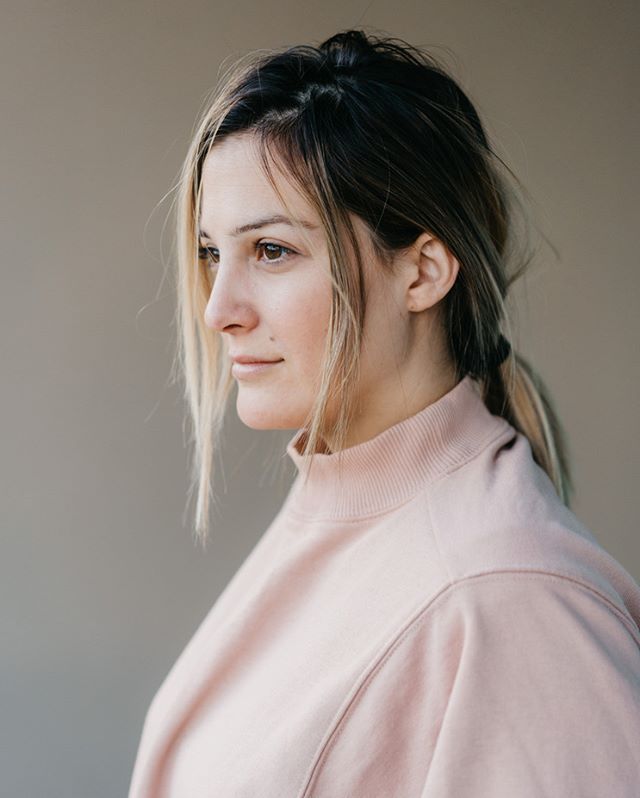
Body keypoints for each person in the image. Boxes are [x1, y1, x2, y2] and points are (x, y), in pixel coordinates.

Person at [128, 29, 640, 797]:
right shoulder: (344, 515)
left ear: (424, 271)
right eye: (211, 254)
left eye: (270, 251)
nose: (218, 310)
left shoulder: (511, 595)